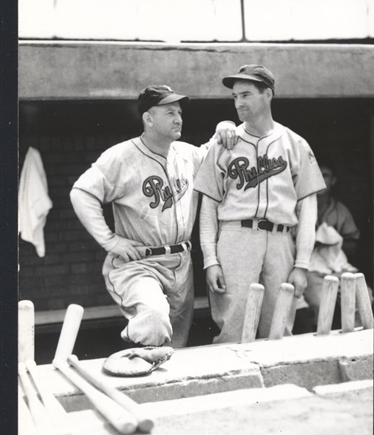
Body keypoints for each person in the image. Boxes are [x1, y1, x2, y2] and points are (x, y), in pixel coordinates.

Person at [70, 85, 237, 350]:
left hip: (181, 263)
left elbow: (215, 149)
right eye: (169, 112)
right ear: (148, 119)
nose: (178, 118)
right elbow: (81, 193)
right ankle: (134, 355)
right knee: (154, 320)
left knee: (176, 345)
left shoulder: (186, 153)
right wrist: (111, 241)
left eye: (180, 112)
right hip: (141, 263)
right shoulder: (122, 156)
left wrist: (225, 125)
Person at [193, 64, 326, 343]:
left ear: (268, 94)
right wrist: (210, 260)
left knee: (279, 328)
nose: (238, 103)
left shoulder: (295, 143)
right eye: (234, 97)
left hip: (281, 241)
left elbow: (308, 209)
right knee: (233, 328)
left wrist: (302, 264)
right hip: (235, 238)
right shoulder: (223, 143)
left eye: (246, 94)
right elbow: (208, 208)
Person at [302, 160, 361, 327]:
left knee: (361, 297)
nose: (321, 180)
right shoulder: (301, 208)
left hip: (338, 268)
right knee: (319, 306)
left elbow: (353, 246)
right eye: (317, 175)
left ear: (333, 180)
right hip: (311, 270)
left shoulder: (340, 210)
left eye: (325, 176)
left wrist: (333, 242)